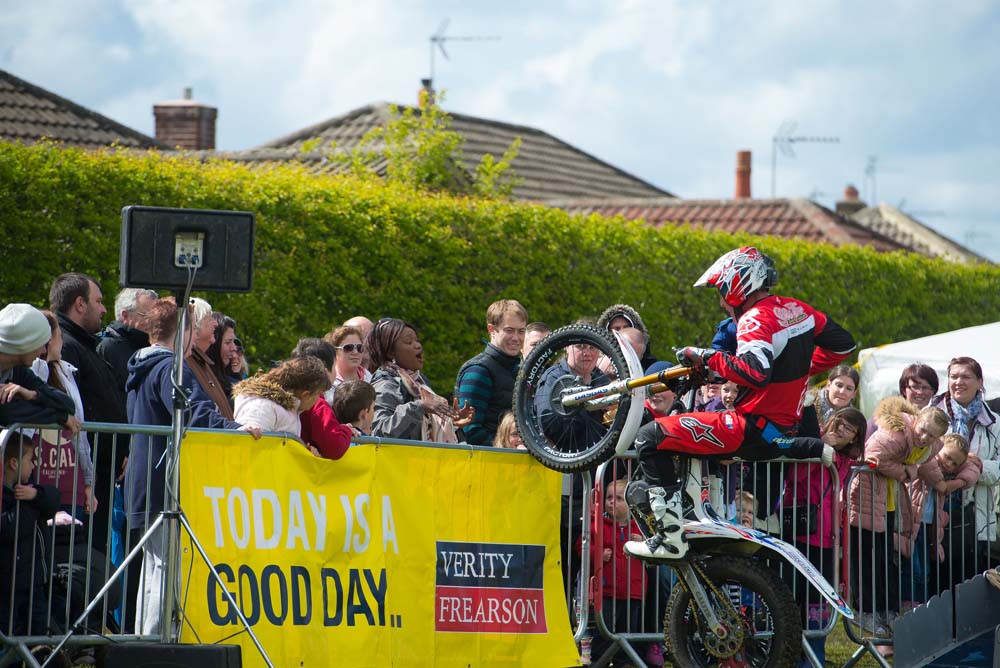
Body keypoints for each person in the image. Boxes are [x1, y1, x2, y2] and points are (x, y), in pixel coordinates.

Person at [624, 247, 856, 560]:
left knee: (649, 437)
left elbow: (756, 371)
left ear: (737, 284)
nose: (721, 301)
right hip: (779, 428)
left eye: (721, 290)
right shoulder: (796, 309)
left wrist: (706, 356)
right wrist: (794, 369)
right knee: (679, 438)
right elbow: (844, 345)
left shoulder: (755, 319)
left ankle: (670, 536)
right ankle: (692, 516)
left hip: (750, 428)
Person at [124, 298, 257, 635]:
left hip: (146, 482)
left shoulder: (139, 367)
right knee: (165, 569)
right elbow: (195, 414)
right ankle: (153, 648)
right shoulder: (169, 369)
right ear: (183, 332)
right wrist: (235, 429)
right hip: (163, 484)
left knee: (153, 571)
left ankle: (144, 643)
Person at [847, 399, 949, 634]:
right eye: (923, 430)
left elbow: (927, 462)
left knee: (886, 559)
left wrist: (943, 483)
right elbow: (873, 456)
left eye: (932, 436)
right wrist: (906, 471)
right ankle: (864, 612)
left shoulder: (930, 446)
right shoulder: (895, 434)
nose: (924, 437)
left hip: (889, 502)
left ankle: (887, 610)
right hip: (865, 497)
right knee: (866, 557)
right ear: (917, 420)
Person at [779, 407, 866, 666]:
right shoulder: (811, 442)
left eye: (849, 429)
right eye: (840, 423)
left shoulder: (845, 460)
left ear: (854, 438)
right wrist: (817, 449)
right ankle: (790, 656)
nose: (842, 430)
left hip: (827, 538)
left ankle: (814, 658)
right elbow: (797, 476)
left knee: (818, 603)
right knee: (792, 598)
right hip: (799, 532)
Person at [50, 273, 125, 553]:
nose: (104, 309)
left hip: (101, 470)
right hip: (83, 477)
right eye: (99, 301)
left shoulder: (86, 345)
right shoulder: (68, 346)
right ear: (80, 304)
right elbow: (75, 410)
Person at [929, 356, 1000, 579]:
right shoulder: (932, 415)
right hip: (933, 505)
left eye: (966, 376)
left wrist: (972, 467)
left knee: (967, 581)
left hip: (972, 510)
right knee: (934, 582)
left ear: (980, 382)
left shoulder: (995, 423)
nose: (958, 381)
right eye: (954, 376)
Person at [31, 310, 95, 517]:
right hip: (34, 478)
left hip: (68, 478)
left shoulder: (65, 372)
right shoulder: (29, 370)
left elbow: (80, 432)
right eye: (59, 336)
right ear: (49, 340)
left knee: (68, 543)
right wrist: (42, 359)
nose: (62, 342)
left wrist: (87, 482)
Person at [368, 318, 471, 442]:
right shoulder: (384, 385)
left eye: (417, 340)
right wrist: (419, 407)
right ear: (391, 353)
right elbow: (379, 432)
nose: (418, 345)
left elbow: (423, 429)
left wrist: (452, 422)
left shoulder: (420, 382)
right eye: (408, 342)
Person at [907, 432, 981, 603]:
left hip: (928, 527)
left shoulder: (948, 471)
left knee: (924, 571)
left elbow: (974, 467)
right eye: (947, 457)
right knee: (912, 569)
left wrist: (957, 483)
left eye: (955, 463)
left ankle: (921, 608)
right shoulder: (926, 457)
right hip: (909, 523)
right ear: (938, 448)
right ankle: (906, 607)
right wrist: (943, 485)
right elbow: (929, 470)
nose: (948, 464)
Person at [0, 431, 60, 635]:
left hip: (33, 582)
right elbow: (9, 528)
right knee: (9, 637)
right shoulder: (10, 498)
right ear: (14, 463)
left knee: (39, 636)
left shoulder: (30, 492)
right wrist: (30, 504)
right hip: (8, 586)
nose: (34, 465)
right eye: (30, 460)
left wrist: (36, 494)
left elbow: (53, 499)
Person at [585, 479, 647, 667]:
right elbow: (582, 546)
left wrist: (643, 541)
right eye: (609, 497)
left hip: (632, 592)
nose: (612, 501)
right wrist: (598, 554)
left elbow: (655, 550)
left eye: (619, 498)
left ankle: (624, 662)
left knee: (628, 631)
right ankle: (599, 661)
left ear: (630, 504)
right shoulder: (597, 524)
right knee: (604, 632)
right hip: (606, 591)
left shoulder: (640, 527)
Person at [454, 299, 527, 445]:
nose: (516, 338)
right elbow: (470, 430)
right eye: (509, 330)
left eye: (521, 331)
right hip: (489, 461)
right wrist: (507, 450)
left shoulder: (519, 368)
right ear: (491, 330)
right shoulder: (478, 371)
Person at [0, 303, 77, 430]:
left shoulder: (17, 370)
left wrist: (33, 395)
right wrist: (61, 417)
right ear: (26, 343)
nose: (43, 351)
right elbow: (7, 413)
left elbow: (68, 404)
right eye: (41, 344)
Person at [233, 357, 330, 438]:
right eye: (318, 394)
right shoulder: (262, 406)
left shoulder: (289, 407)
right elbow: (249, 440)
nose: (318, 398)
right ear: (305, 395)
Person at [290, 338, 353, 459]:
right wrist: (346, 430)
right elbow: (334, 447)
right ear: (324, 372)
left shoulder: (287, 395)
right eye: (334, 366)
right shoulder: (317, 404)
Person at [97, 287, 158, 391]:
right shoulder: (107, 345)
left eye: (156, 316)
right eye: (147, 316)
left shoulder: (150, 345)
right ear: (125, 316)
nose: (154, 322)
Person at [185, 297, 234, 421]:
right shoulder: (186, 362)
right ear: (196, 323)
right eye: (209, 318)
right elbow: (197, 412)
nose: (215, 323)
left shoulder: (201, 361)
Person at [597, 303, 657, 369]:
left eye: (626, 327)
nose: (621, 332)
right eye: (616, 329)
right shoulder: (595, 366)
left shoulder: (651, 366)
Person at [323, 325, 372, 404]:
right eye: (348, 348)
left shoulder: (370, 378)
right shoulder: (327, 381)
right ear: (334, 351)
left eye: (359, 347)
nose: (355, 352)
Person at [205, 313, 239, 402]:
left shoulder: (233, 380)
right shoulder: (202, 380)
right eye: (228, 342)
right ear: (214, 344)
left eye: (233, 342)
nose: (234, 348)